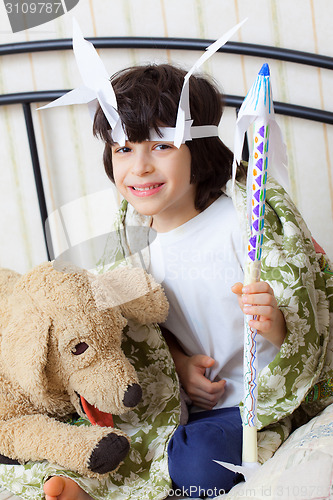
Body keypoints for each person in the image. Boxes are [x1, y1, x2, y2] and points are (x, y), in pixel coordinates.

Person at [44, 63, 287, 500]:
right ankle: (81, 484)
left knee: (201, 462)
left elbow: (305, 316)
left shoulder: (241, 222)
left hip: (249, 403)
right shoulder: (129, 241)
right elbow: (138, 328)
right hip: (170, 402)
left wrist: (274, 321)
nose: (139, 167)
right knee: (81, 429)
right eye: (122, 148)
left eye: (161, 145)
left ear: (201, 147)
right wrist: (176, 362)